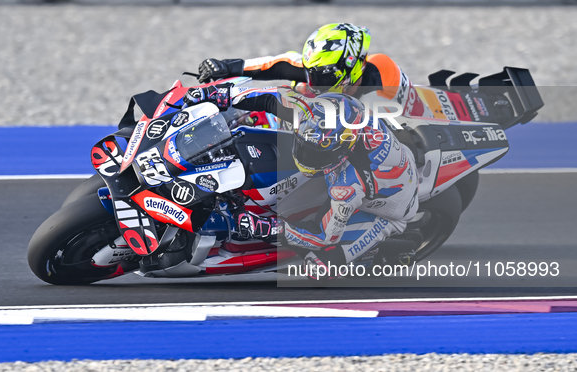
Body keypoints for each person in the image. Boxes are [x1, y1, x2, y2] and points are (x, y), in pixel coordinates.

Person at [183, 86, 419, 279]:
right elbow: (269, 98)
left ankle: (375, 253)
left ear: (342, 151)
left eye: (317, 155)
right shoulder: (318, 113)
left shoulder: (348, 185)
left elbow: (324, 235)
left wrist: (270, 228)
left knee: (318, 267)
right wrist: (221, 94)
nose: (306, 158)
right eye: (305, 146)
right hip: (387, 161)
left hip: (389, 210)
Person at [195, 22, 431, 118]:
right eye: (311, 71)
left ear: (352, 67)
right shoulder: (323, 69)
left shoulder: (378, 94)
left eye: (322, 76)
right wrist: (226, 67)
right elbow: (278, 63)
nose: (313, 79)